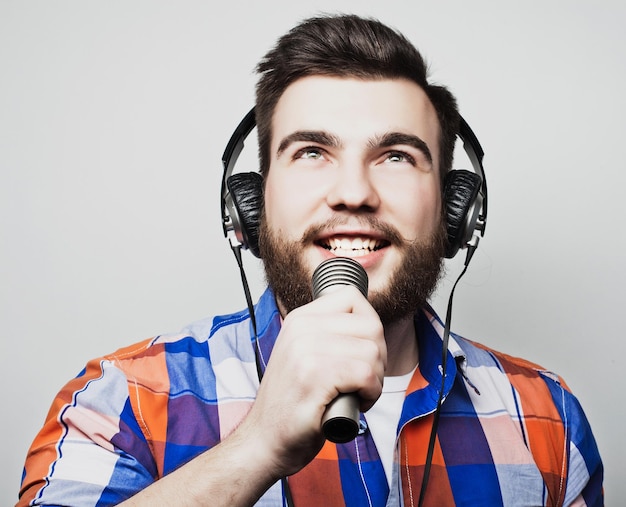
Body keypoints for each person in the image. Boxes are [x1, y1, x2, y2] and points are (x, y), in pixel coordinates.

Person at [17, 13, 603, 507]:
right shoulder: (122, 402)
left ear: (455, 210)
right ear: (250, 202)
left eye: (396, 156)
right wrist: (258, 447)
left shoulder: (547, 416)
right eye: (312, 152)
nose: (353, 192)